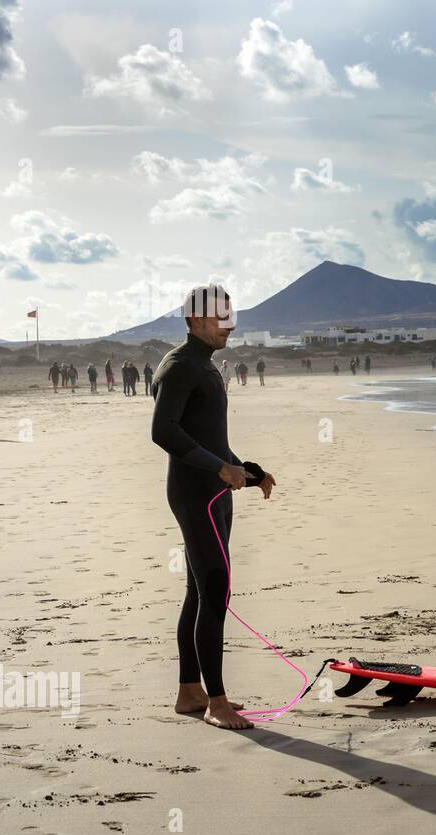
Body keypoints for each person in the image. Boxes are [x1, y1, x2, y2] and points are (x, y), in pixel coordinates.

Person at [151, 284, 276, 731]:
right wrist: (218, 470)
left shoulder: (202, 365)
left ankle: (190, 691)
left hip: (213, 491)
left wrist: (247, 471)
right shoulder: (180, 367)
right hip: (196, 494)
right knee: (216, 590)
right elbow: (163, 431)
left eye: (231, 315)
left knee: (199, 592)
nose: (230, 325)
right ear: (195, 321)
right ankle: (217, 704)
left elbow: (208, 437)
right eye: (221, 317)